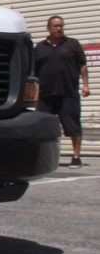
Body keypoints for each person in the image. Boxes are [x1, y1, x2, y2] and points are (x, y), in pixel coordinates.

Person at [34, 15, 89, 167]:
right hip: (45, 95)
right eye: (56, 26)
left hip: (68, 93)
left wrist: (85, 85)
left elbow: (82, 66)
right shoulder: (40, 47)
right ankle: (43, 158)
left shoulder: (72, 44)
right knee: (43, 128)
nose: (59, 29)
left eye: (61, 26)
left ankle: (76, 156)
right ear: (48, 28)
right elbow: (33, 71)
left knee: (73, 126)